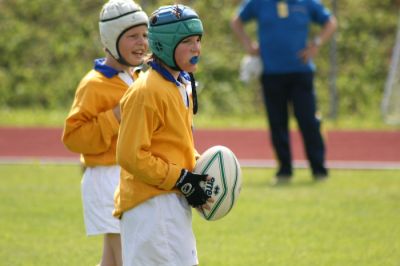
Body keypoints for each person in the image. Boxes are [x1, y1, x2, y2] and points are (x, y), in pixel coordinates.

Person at [113, 4, 213, 266]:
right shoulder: (146, 92)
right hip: (151, 209)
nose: (197, 49)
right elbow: (130, 155)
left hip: (169, 201)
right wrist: (181, 178)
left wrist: (198, 171)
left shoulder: (179, 85)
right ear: (165, 46)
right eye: (188, 41)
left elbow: (174, 143)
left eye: (198, 40)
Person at [61, 0, 148, 265]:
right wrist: (114, 116)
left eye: (145, 35)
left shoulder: (137, 77)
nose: (141, 42)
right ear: (111, 39)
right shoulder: (93, 84)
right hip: (105, 179)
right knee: (126, 256)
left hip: (127, 175)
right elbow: (74, 137)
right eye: (132, 36)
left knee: (112, 259)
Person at [231, 0, 337, 184]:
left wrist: (316, 44)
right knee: (277, 123)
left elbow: (330, 22)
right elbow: (236, 21)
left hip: (300, 72)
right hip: (271, 73)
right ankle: (284, 170)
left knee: (308, 121)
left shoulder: (307, 3)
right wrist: (248, 44)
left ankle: (318, 169)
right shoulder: (259, 3)